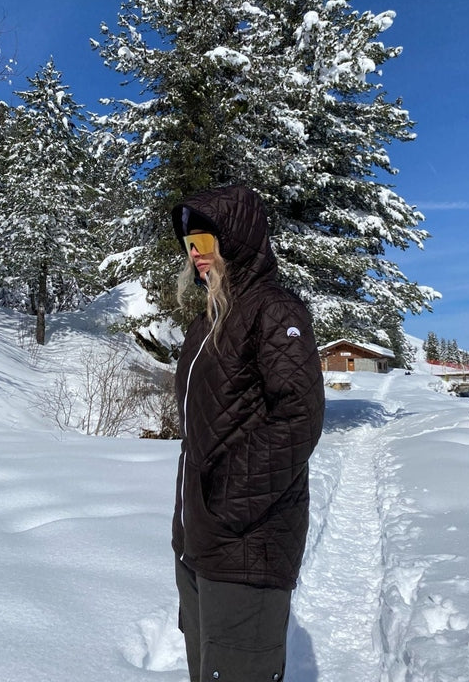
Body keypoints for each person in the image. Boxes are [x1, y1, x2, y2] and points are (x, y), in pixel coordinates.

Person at [170, 184, 325, 681]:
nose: (196, 254)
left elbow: (299, 415)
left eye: (205, 241)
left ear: (235, 240)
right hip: (201, 540)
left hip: (248, 542)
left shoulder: (274, 309)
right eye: (189, 243)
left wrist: (226, 503)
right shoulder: (210, 320)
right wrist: (196, 515)